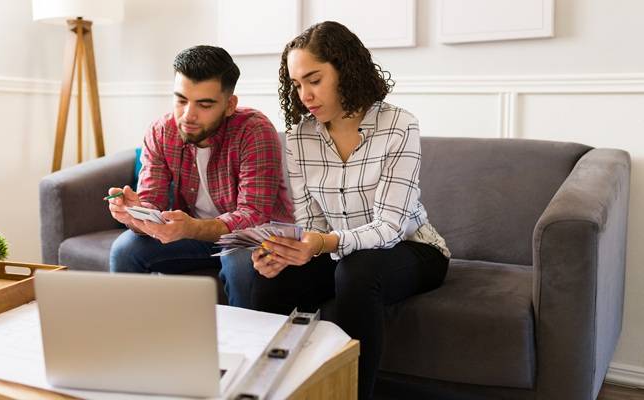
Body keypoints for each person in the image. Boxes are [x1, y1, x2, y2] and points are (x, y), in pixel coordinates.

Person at [250, 22, 451, 399]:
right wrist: (287, 252)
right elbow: (310, 221)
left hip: (411, 248)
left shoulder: (399, 124)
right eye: (296, 84)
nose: (305, 94)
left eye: (314, 79)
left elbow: (390, 227)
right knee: (270, 276)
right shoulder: (298, 138)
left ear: (345, 69)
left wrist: (322, 242)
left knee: (357, 272)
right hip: (337, 250)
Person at [107, 45, 293, 308]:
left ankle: (247, 345)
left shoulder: (254, 131)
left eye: (204, 105)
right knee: (125, 250)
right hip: (194, 236)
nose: (188, 115)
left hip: (251, 237)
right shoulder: (162, 132)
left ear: (230, 105)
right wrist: (135, 215)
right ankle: (134, 339)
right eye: (181, 100)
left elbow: (253, 214)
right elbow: (152, 203)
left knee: (238, 261)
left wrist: (192, 227)